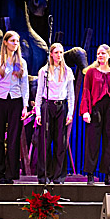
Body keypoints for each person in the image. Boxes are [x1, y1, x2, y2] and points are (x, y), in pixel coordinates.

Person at [0, 30, 30, 184]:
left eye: (17, 41)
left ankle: (10, 174)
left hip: (16, 101)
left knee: (13, 138)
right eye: (12, 41)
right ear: (5, 42)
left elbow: (24, 86)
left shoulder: (21, 62)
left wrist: (25, 106)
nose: (15, 44)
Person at [80, 44, 110, 185]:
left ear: (109, 55)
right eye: (98, 53)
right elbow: (86, 92)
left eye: (103, 53)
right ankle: (90, 174)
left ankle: (108, 175)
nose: (100, 55)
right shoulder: (91, 72)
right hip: (95, 109)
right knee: (92, 141)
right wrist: (85, 111)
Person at [34, 42, 75, 185]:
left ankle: (58, 176)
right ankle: (44, 175)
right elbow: (39, 92)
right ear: (51, 54)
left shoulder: (68, 71)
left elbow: (71, 94)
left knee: (60, 142)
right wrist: (38, 112)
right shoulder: (44, 71)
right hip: (47, 106)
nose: (59, 55)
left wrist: (70, 113)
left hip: (61, 107)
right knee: (45, 142)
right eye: (56, 52)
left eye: (61, 52)